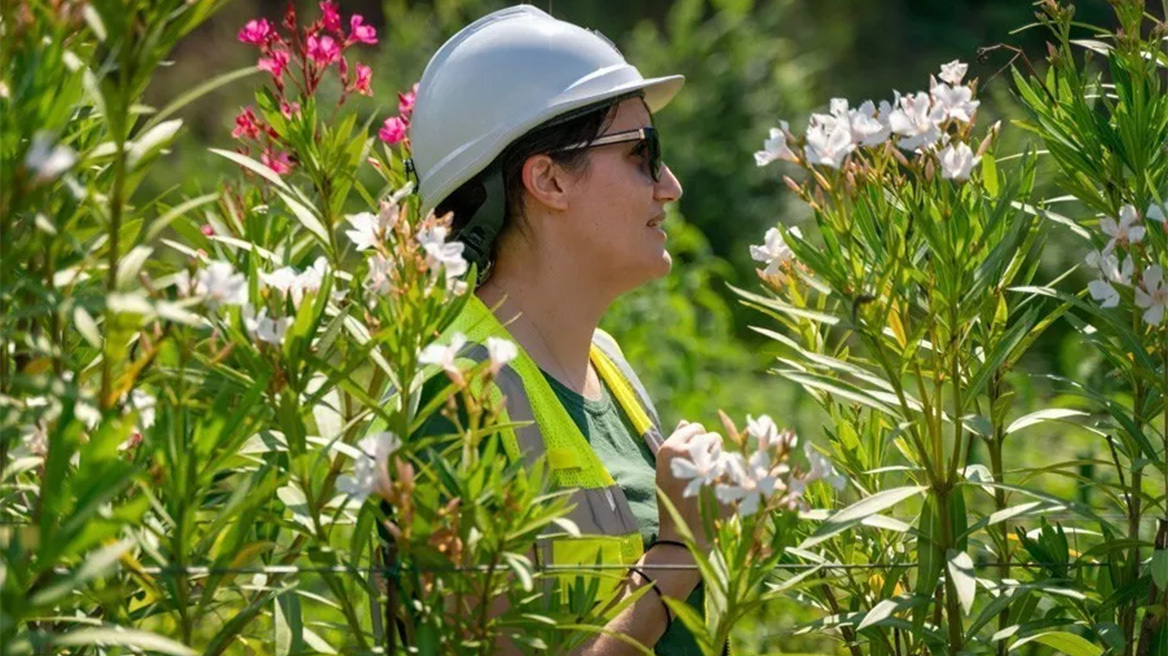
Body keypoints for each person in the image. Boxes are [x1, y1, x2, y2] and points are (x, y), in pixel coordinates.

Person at [407, 5, 723, 654]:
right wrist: (676, 554)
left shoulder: (605, 364)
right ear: (548, 178)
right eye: (642, 154)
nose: (671, 186)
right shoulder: (460, 396)